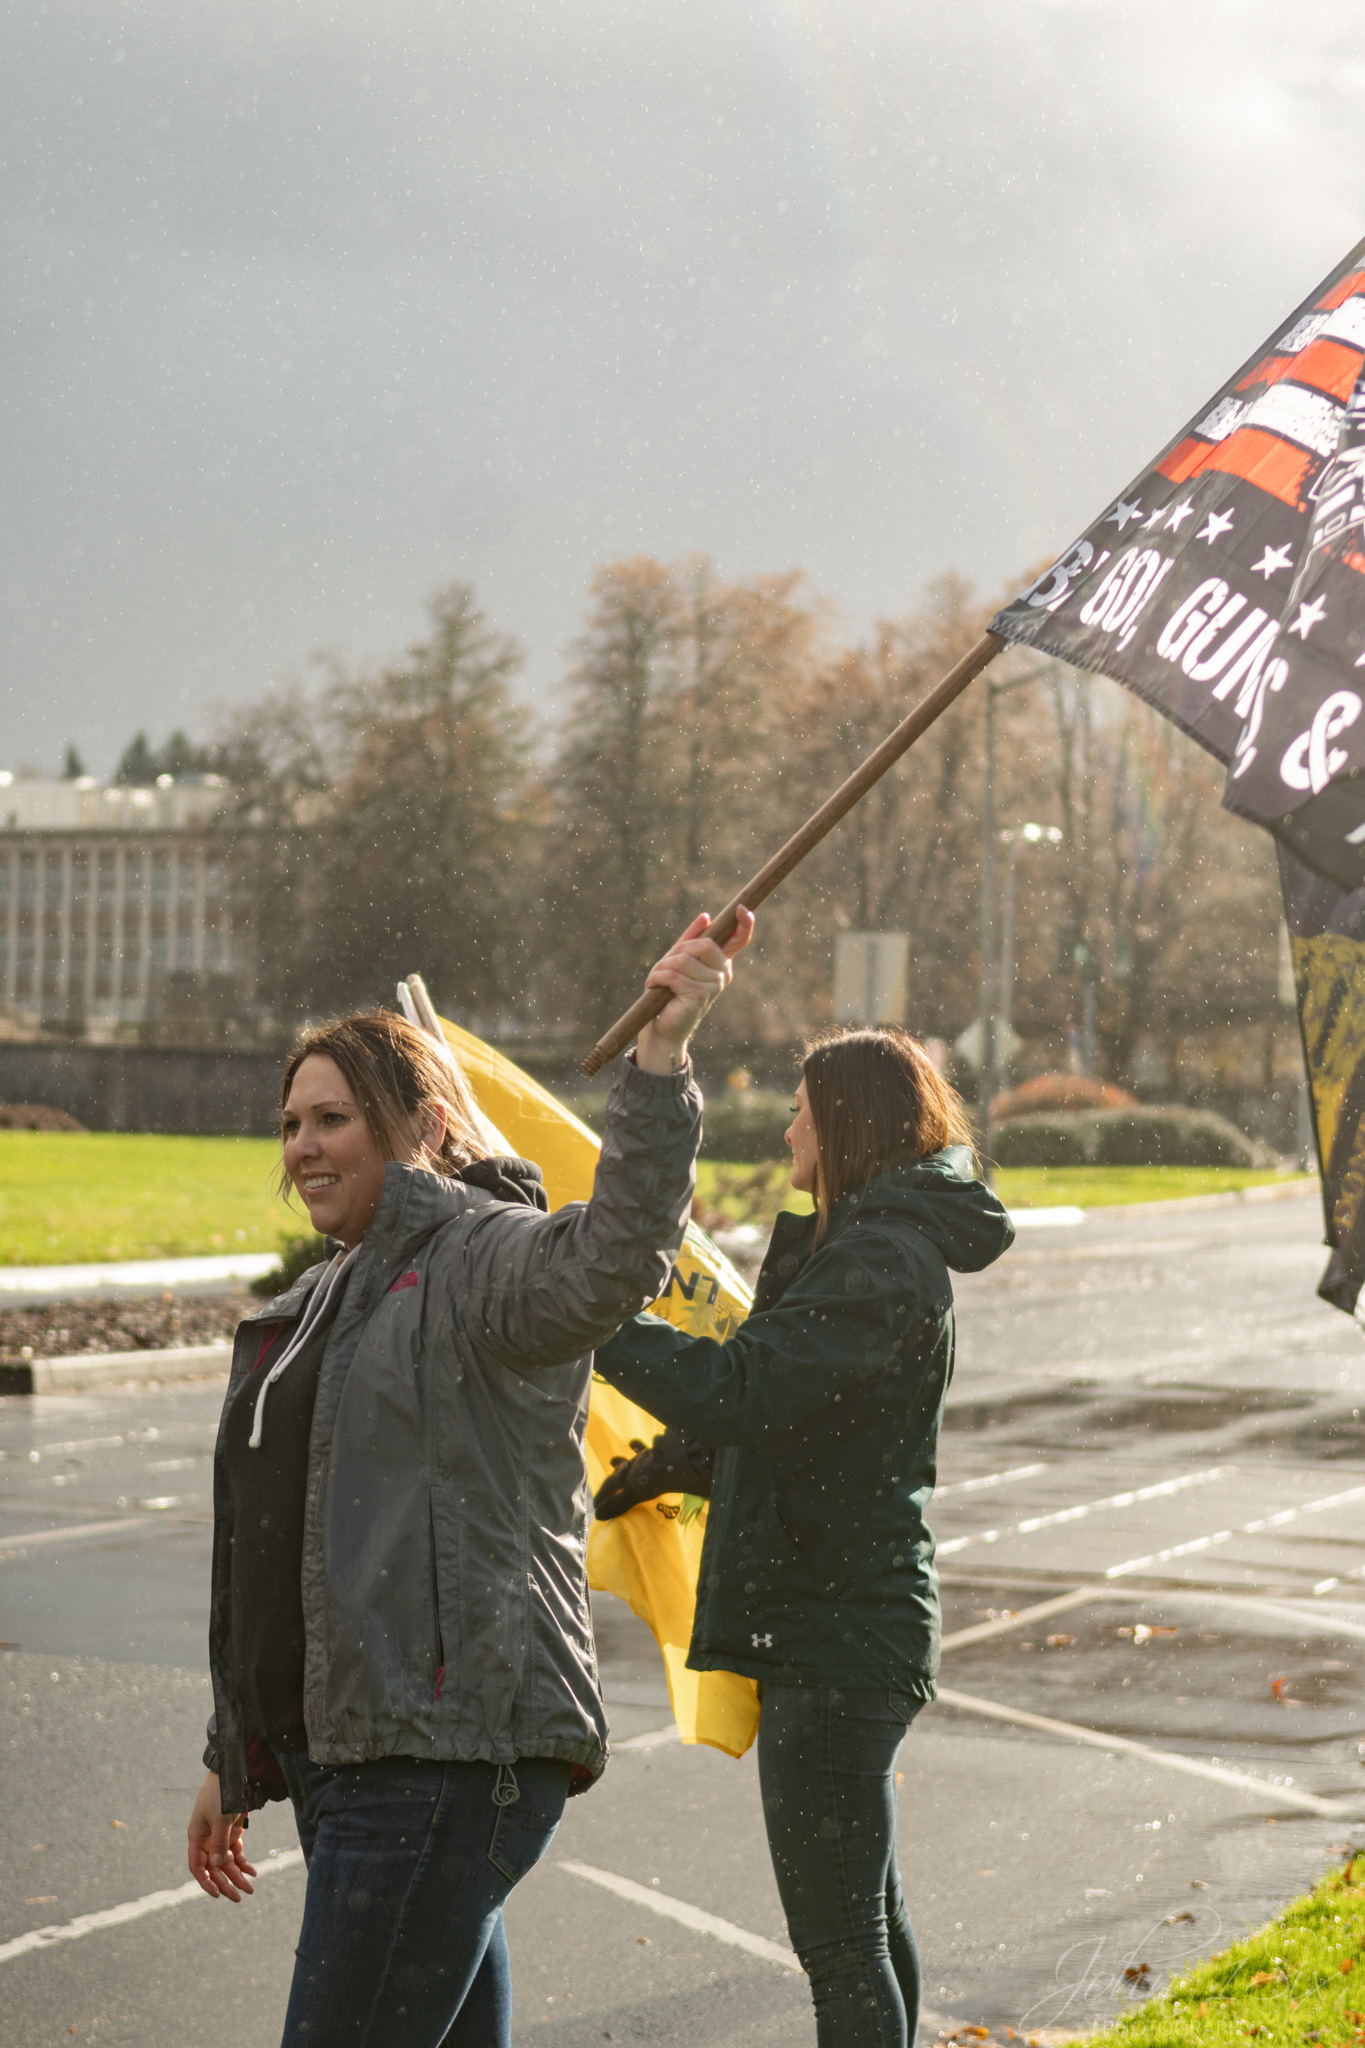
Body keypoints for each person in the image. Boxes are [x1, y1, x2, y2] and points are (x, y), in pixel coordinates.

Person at [185, 907, 753, 2048]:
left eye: (334, 1118)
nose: (303, 1146)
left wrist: (661, 1055)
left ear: (425, 1125)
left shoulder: (482, 1255)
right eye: (291, 1122)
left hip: (448, 1760)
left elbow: (617, 1253)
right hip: (354, 1761)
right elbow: (282, 1552)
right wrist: (232, 1752)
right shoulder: (312, 1307)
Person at [593, 1026, 1014, 2048]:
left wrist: (588, 1310)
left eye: (800, 1112)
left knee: (841, 1943)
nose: (788, 1131)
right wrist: (664, 1465)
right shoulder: (873, 1248)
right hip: (844, 1626)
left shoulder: (878, 1260)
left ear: (844, 1126)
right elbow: (794, 1410)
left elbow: (744, 1387)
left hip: (835, 1637)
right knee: (867, 1922)